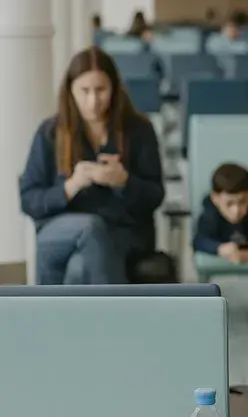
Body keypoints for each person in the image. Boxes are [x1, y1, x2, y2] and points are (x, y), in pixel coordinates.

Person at [19, 47, 164, 285]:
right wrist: (70, 187)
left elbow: (155, 196)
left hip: (123, 231)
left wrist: (124, 182)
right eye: (84, 91)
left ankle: (51, 320)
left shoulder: (138, 130)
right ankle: (115, 319)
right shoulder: (50, 133)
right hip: (60, 230)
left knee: (81, 265)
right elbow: (29, 200)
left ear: (115, 89)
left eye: (101, 90)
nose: (93, 101)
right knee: (91, 227)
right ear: (70, 91)